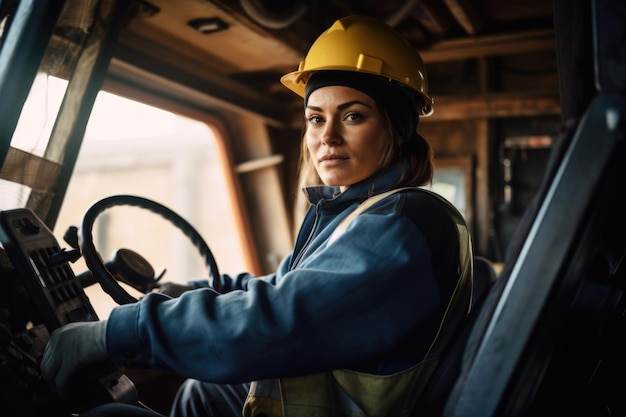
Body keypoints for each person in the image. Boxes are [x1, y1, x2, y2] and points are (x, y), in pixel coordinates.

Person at [41, 14, 472, 417]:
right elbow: (285, 289)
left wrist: (115, 334)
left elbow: (282, 319)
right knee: (201, 392)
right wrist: (193, 290)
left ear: (397, 130)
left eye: (353, 116)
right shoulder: (359, 212)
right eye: (315, 118)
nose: (328, 137)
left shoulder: (401, 221)